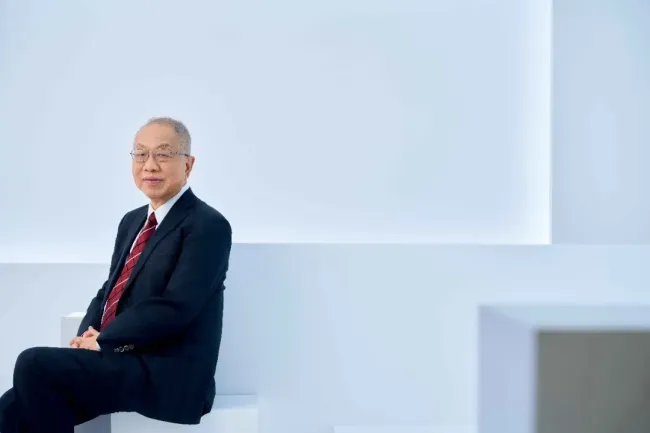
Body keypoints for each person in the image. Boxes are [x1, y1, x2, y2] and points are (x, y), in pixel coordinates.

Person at [0, 117, 232, 432]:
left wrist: (104, 341)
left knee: (33, 364)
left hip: (168, 375)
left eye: (163, 154)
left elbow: (176, 307)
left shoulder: (207, 225)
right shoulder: (132, 221)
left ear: (188, 165)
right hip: (123, 360)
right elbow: (109, 291)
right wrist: (85, 339)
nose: (150, 165)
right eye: (141, 154)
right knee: (11, 406)